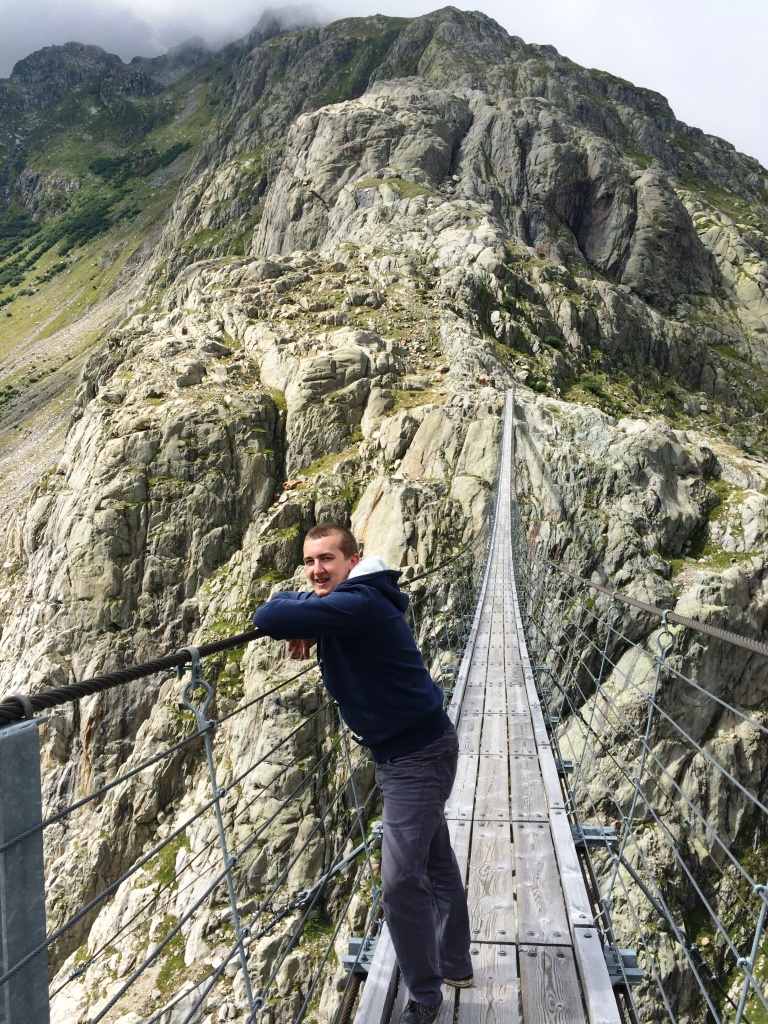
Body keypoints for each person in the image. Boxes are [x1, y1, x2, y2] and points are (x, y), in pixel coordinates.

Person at [252, 522, 473, 1024]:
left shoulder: (360, 602)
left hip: (417, 758)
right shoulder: (357, 600)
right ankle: (455, 962)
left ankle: (425, 995)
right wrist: (314, 615)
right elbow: (291, 611)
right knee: (434, 860)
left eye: (327, 559)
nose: (316, 570)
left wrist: (307, 614)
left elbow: (268, 615)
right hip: (412, 752)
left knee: (399, 882)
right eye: (309, 562)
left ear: (353, 560)